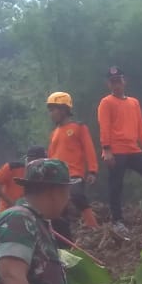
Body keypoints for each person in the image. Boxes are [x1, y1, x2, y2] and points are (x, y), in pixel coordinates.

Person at [97, 66, 142, 237]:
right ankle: (117, 220)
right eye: (113, 82)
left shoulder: (134, 103)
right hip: (116, 150)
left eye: (119, 81)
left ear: (124, 81)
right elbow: (104, 126)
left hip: (133, 149)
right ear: (109, 84)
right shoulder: (106, 102)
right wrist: (106, 149)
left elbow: (140, 125)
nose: (116, 85)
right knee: (116, 185)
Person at [47, 91, 99, 241]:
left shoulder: (79, 127)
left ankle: (94, 227)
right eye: (50, 111)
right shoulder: (54, 133)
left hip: (74, 173)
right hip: (56, 177)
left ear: (64, 109)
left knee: (77, 196)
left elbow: (89, 149)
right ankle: (65, 241)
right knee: (58, 210)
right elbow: (51, 155)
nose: (51, 114)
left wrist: (93, 170)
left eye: (53, 110)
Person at [0, 147, 45, 213]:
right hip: (8, 213)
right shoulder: (12, 168)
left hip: (31, 215)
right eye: (29, 160)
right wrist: (10, 202)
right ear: (27, 160)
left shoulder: (44, 174)